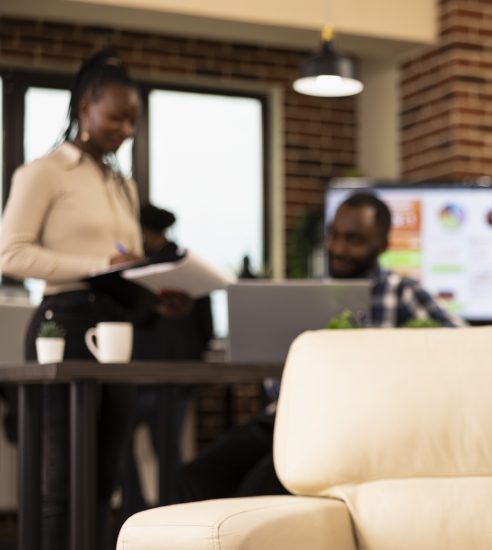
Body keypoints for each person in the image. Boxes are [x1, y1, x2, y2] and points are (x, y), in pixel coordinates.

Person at [175, 191, 464, 502]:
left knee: (256, 487)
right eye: (333, 235)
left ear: (382, 244)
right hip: (288, 416)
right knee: (193, 478)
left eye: (353, 239)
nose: (338, 248)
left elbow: (464, 345)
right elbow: (276, 381)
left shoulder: (402, 293)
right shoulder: (307, 294)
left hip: (348, 426)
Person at [0, 48, 144, 550]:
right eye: (117, 117)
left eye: (133, 120)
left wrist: (156, 290)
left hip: (116, 329)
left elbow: (125, 260)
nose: (127, 129)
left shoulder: (123, 185)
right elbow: (10, 254)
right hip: (61, 324)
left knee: (105, 480)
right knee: (59, 480)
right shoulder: (44, 172)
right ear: (86, 107)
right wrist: (95, 266)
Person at [124, 204, 214, 510]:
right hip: (176, 373)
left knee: (130, 444)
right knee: (166, 451)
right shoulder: (189, 265)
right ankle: (169, 513)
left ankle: (138, 511)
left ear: (146, 233)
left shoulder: (141, 270)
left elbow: (130, 315)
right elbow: (206, 328)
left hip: (146, 373)